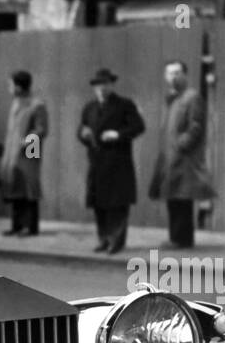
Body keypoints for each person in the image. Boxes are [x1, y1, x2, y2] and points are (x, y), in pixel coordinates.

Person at [77, 67, 145, 254]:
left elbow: (138, 127)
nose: (102, 88)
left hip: (117, 162)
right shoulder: (89, 108)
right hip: (97, 163)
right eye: (98, 85)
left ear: (112, 84)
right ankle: (104, 239)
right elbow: (81, 130)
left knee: (117, 204)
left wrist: (118, 134)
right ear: (94, 87)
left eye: (105, 84)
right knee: (99, 204)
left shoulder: (124, 105)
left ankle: (117, 241)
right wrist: (84, 134)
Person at [148, 59, 214, 249]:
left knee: (182, 197)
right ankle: (176, 237)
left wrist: (181, 145)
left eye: (177, 72)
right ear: (165, 76)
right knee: (173, 197)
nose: (173, 76)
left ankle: (182, 239)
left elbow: (196, 126)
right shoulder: (172, 98)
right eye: (170, 73)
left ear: (185, 75)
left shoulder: (192, 97)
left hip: (183, 158)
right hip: (170, 158)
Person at [0, 70, 47, 236]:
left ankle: (30, 227)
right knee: (15, 185)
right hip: (13, 151)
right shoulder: (16, 103)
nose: (9, 88)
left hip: (29, 150)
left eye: (11, 84)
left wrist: (27, 142)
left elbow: (42, 129)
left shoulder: (36, 104)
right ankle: (17, 225)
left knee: (29, 186)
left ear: (18, 87)